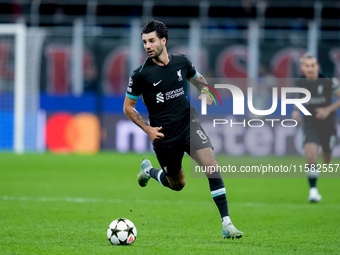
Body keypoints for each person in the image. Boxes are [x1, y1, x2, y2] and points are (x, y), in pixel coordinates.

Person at [123, 19, 243, 239]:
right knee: (177, 184)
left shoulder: (182, 62)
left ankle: (227, 224)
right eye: (144, 42)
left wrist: (205, 92)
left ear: (163, 40)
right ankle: (149, 171)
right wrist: (148, 129)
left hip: (188, 123)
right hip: (164, 135)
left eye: (151, 41)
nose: (147, 46)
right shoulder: (140, 74)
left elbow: (200, 80)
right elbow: (128, 108)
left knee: (211, 166)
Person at [292, 52, 340, 202]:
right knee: (311, 156)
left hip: (328, 123)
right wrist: (295, 110)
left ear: (317, 67)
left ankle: (326, 150)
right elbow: (299, 98)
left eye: (313, 65)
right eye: (307, 66)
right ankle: (313, 191)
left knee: (326, 158)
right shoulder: (300, 82)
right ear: (303, 68)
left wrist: (327, 110)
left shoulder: (328, 80)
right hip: (310, 121)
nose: (310, 68)